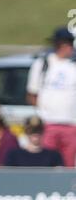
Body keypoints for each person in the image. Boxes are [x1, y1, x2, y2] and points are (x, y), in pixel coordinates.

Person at [26, 26, 76, 166]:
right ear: (59, 44)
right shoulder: (43, 64)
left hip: (71, 124)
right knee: (47, 162)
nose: (70, 47)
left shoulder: (73, 65)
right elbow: (32, 94)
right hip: (48, 123)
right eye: (67, 43)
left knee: (69, 165)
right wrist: (43, 111)